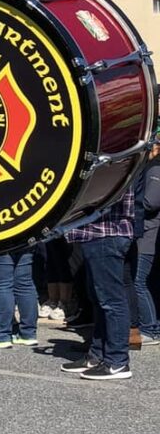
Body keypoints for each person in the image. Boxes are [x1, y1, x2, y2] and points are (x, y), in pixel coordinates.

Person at [62, 188, 137, 379]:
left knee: (112, 301)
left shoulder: (115, 162)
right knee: (98, 299)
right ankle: (97, 355)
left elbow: (96, 196)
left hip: (106, 233)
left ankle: (117, 362)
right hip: (96, 234)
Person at [0, 248, 38, 349]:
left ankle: (1, 335)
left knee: (1, 285)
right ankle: (28, 334)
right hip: (24, 239)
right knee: (24, 285)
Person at [134, 142, 160, 344]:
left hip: (148, 235)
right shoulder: (149, 168)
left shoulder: (155, 170)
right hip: (143, 235)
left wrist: (130, 202)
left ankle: (150, 329)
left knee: (139, 282)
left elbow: (151, 202)